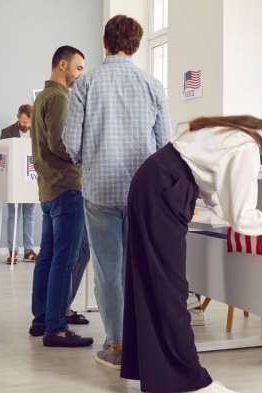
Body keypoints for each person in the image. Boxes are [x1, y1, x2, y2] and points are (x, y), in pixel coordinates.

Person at [121, 108, 262, 393]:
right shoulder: (245, 148)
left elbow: (221, 199)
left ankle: (155, 374)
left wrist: (232, 213)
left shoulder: (241, 134)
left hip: (156, 182)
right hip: (164, 187)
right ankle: (193, 382)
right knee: (170, 288)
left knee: (153, 282)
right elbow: (243, 219)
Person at [64, 14, 171, 369]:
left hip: (100, 191)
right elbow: (164, 145)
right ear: (138, 46)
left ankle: (118, 346)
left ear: (105, 42)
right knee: (137, 269)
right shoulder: (153, 85)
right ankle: (143, 342)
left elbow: (71, 144)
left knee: (109, 273)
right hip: (142, 193)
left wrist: (89, 156)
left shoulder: (85, 84)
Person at [29, 45, 93, 347]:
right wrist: (86, 156)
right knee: (64, 260)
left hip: (49, 189)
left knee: (49, 257)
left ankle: (42, 319)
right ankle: (55, 328)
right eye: (78, 68)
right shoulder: (58, 97)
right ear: (63, 65)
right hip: (67, 188)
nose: (80, 74)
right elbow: (59, 144)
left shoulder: (43, 96)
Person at [0, 104, 38, 265]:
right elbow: (2, 156)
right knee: (13, 216)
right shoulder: (7, 132)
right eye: (23, 122)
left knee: (29, 216)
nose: (26, 125)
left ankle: (28, 251)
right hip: (13, 181)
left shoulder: (38, 131)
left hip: (31, 180)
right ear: (18, 117)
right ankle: (13, 251)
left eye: (29, 123)